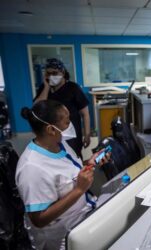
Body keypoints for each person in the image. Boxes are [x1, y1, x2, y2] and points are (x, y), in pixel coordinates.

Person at [16, 100, 109, 250]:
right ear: (51, 129)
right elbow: (39, 219)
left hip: (83, 214)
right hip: (63, 237)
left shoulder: (58, 143)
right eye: (67, 122)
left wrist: (90, 163)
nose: (71, 125)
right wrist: (79, 189)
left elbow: (69, 172)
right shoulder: (32, 168)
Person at [34, 58, 90, 158]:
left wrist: (87, 134)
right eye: (48, 73)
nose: (51, 76)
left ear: (62, 72)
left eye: (55, 73)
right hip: (51, 134)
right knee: (56, 160)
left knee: (74, 158)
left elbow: (85, 114)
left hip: (71, 134)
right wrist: (47, 87)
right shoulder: (44, 88)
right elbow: (36, 108)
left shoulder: (73, 88)